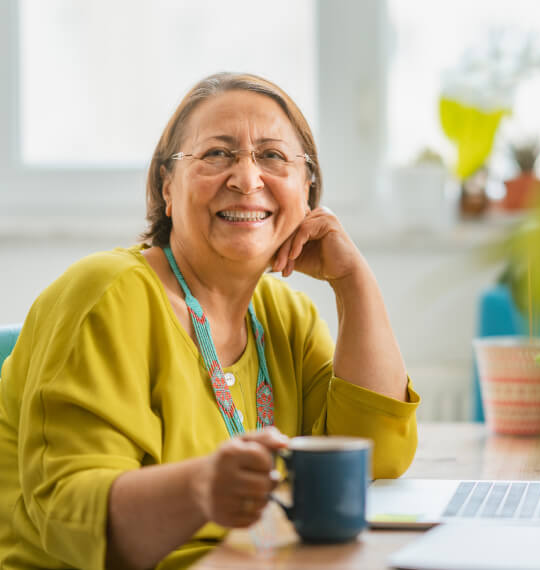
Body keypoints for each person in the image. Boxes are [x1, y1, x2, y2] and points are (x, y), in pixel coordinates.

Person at [0, 72, 420, 569]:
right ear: (167, 187)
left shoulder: (286, 316)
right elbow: (71, 519)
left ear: (306, 190)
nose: (247, 179)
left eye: (272, 156)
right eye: (217, 154)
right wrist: (200, 489)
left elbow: (372, 458)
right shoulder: (106, 295)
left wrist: (353, 279)